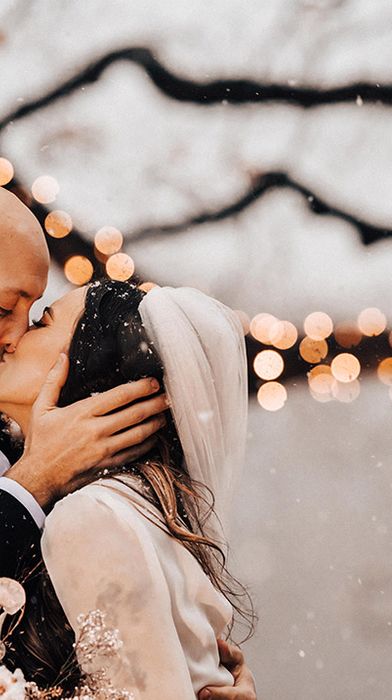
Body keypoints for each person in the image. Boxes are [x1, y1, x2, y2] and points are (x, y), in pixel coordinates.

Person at [0, 189, 256, 699]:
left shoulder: (94, 511)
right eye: (4, 307)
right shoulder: (51, 487)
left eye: (37, 317)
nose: (13, 336)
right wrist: (31, 484)